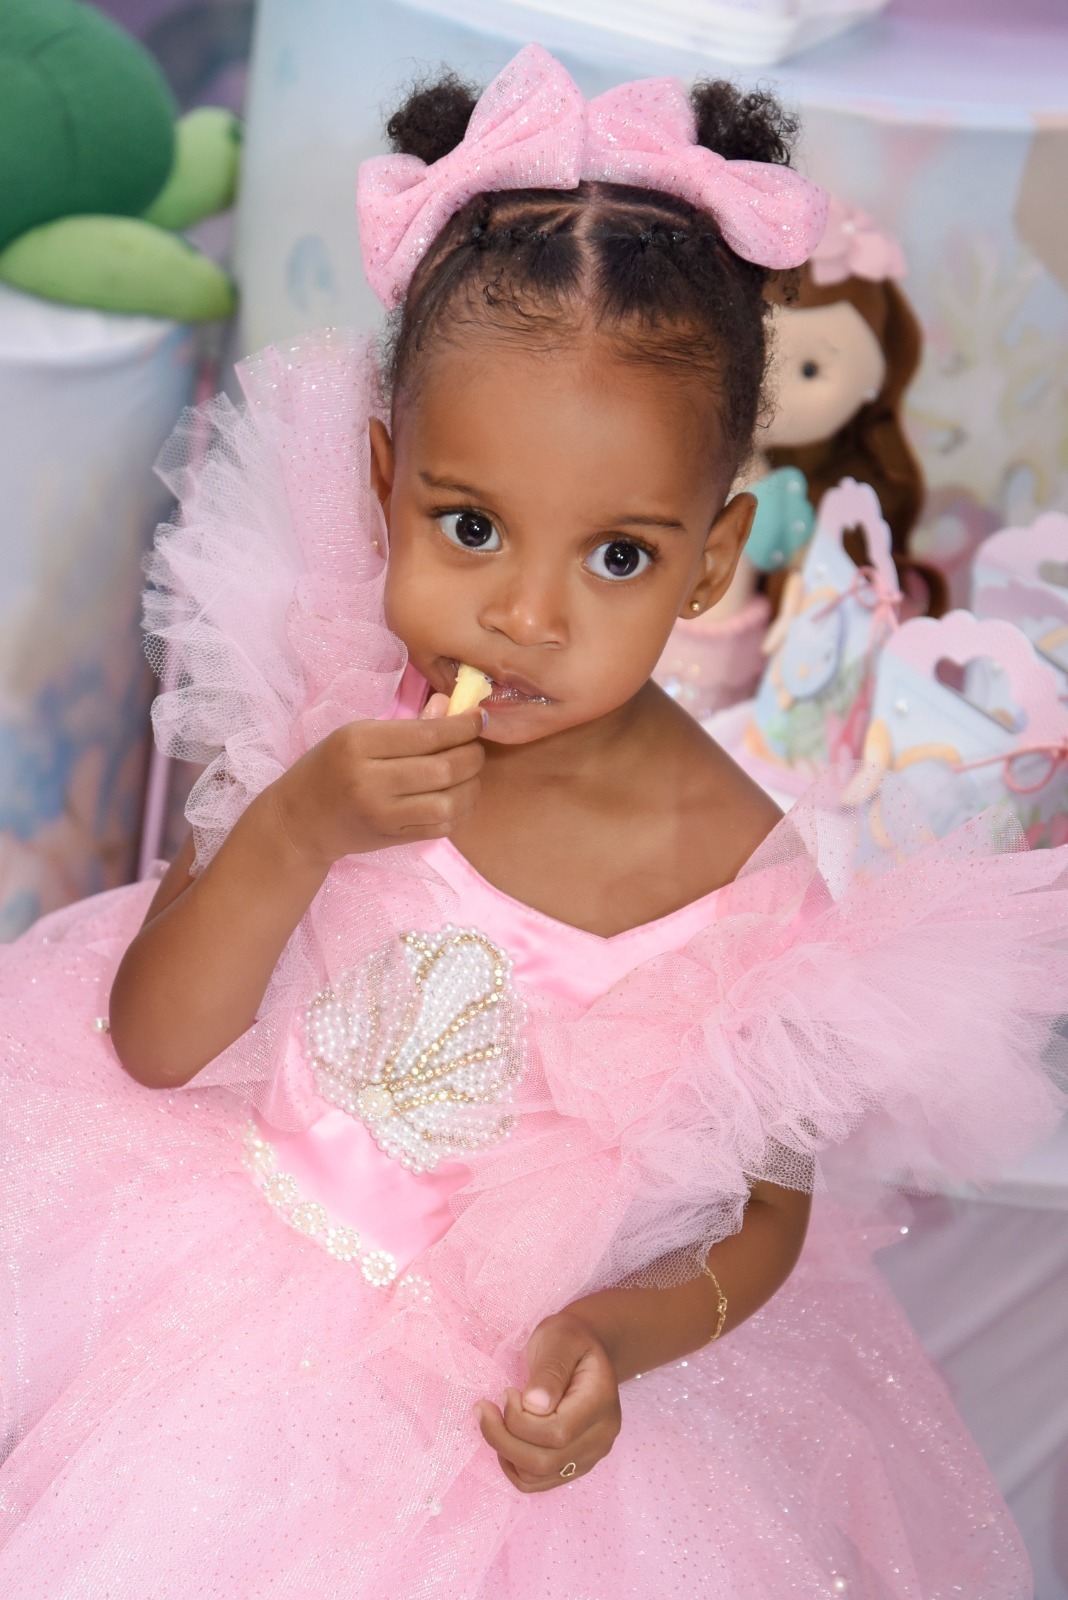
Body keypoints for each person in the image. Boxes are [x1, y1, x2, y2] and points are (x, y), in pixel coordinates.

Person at [0, 44, 1064, 1599]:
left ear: (709, 563)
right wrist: (301, 826)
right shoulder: (324, 704)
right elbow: (156, 1044)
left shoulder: (742, 880)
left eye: (618, 557)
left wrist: (613, 1336)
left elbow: (762, 1221)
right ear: (386, 480)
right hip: (203, 1301)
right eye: (471, 526)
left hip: (480, 1419)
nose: (525, 615)